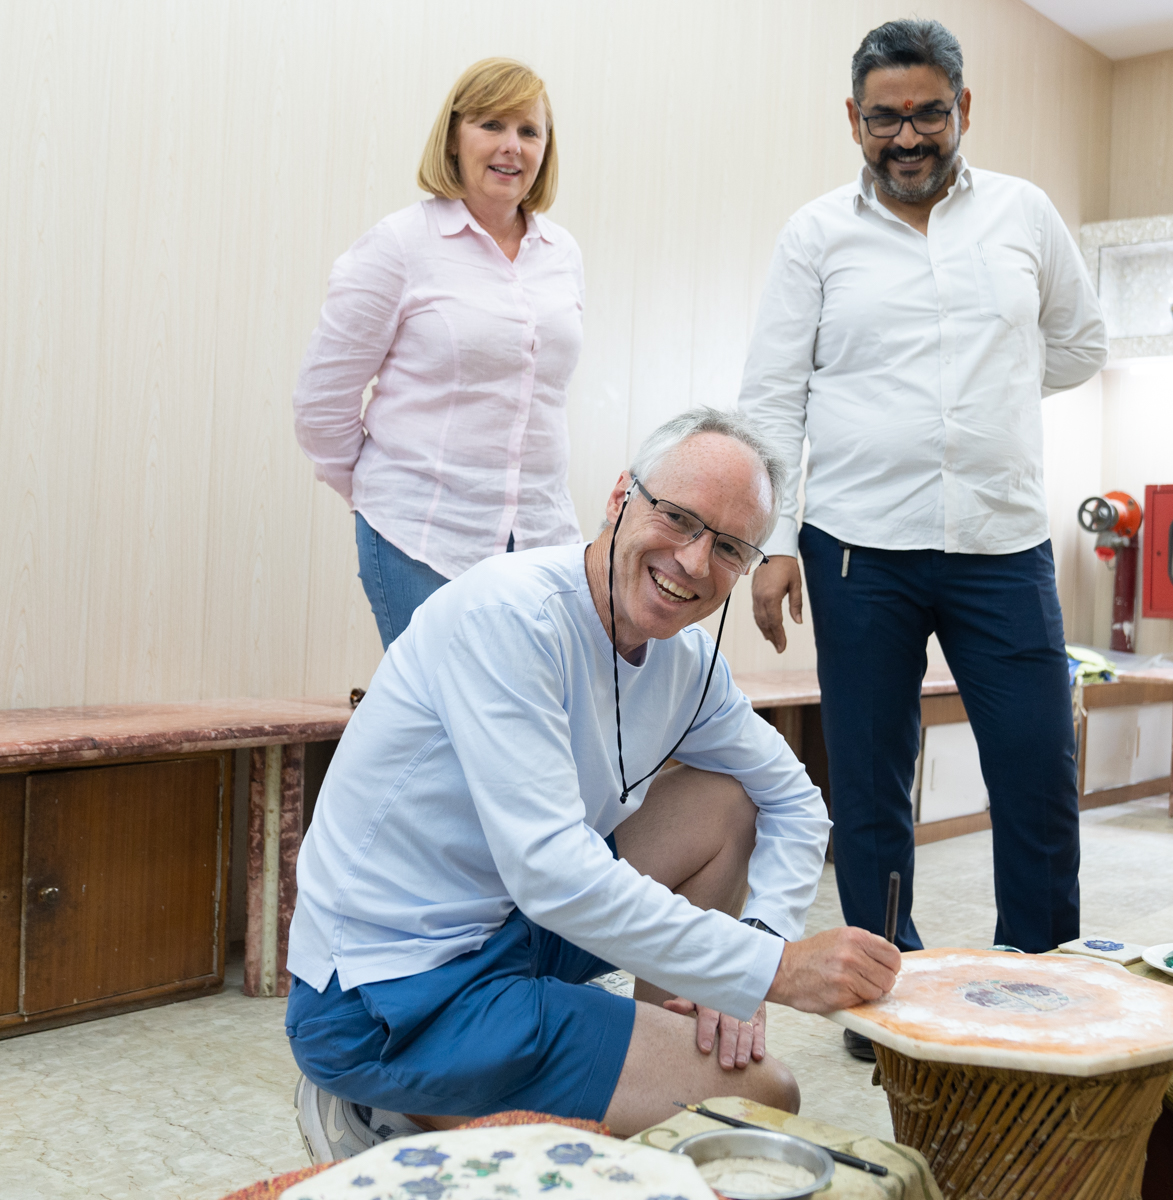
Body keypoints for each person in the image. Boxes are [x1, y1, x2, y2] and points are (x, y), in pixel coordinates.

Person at [285, 409, 901, 1162]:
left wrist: (756, 939)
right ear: (620, 498)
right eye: (677, 518)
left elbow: (794, 800)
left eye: (732, 547)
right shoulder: (510, 615)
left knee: (724, 802)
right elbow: (552, 874)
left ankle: (662, 1046)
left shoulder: (686, 667)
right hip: (388, 992)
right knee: (764, 1099)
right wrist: (779, 972)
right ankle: (391, 1109)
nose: (696, 561)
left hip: (510, 932)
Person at [738, 19, 1106, 1057]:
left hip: (1002, 544)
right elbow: (774, 392)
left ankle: (1037, 981)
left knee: (1035, 769)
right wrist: (769, 543)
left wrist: (980, 392)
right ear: (854, 120)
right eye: (886, 116)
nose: (909, 135)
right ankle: (882, 983)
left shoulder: (1025, 215)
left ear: (964, 110)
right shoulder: (816, 235)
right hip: (856, 546)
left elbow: (1080, 343)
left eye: (928, 112)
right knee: (868, 779)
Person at [293, 58, 587, 648]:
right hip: (420, 536)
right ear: (454, 138)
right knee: (445, 726)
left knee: (522, 720)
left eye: (529, 131)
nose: (512, 146)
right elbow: (320, 404)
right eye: (491, 125)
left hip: (540, 535)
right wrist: (381, 486)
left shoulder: (562, 253)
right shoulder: (400, 246)